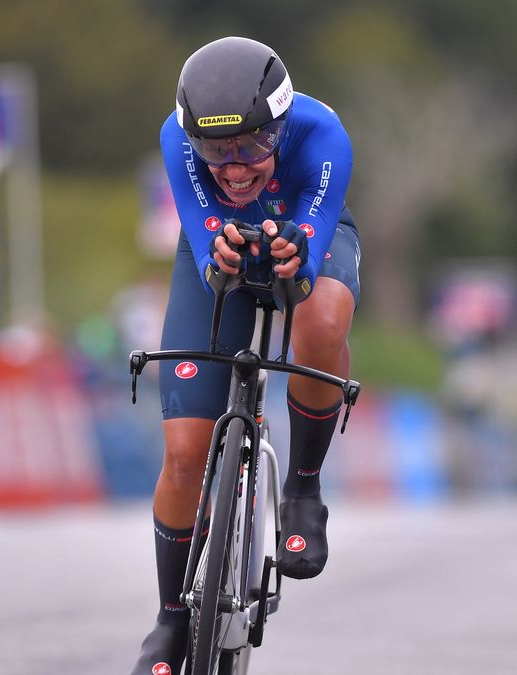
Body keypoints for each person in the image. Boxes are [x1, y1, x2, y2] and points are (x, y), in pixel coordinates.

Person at [132, 36, 360, 674]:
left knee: (318, 321)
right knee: (183, 454)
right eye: (214, 149)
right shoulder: (175, 140)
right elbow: (209, 256)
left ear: (282, 126)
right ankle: (171, 618)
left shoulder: (323, 135)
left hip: (309, 231)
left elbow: (308, 262)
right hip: (215, 250)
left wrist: (296, 256)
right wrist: (222, 256)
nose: (234, 168)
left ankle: (304, 490)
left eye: (253, 147)